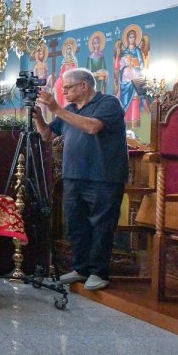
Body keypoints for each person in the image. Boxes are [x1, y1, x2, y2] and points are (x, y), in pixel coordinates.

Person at [33, 67, 128, 291]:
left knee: (101, 225)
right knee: (76, 225)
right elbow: (47, 135)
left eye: (67, 87)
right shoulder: (70, 109)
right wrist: (39, 118)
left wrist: (55, 108)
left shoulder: (108, 104)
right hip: (73, 176)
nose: (64, 92)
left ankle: (98, 272)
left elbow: (92, 127)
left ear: (83, 86)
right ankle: (81, 268)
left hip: (103, 176)